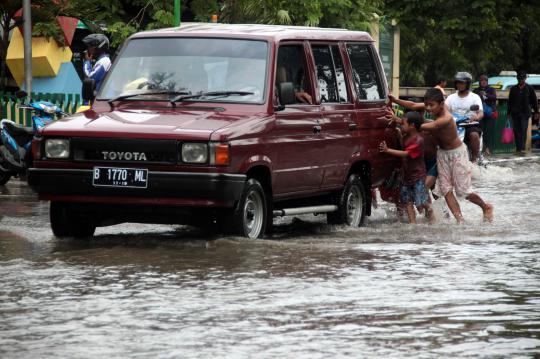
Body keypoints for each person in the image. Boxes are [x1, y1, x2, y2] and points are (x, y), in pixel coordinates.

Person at [421, 88, 493, 224]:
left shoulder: (446, 117)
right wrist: (395, 102)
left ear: (441, 104)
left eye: (431, 105)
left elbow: (431, 125)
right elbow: (413, 106)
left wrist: (407, 123)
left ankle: (486, 207)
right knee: (446, 189)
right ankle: (460, 220)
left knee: (463, 191)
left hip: (457, 154)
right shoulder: (434, 109)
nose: (428, 108)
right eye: (426, 105)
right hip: (442, 155)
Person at [380, 111, 435, 224]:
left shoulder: (418, 140)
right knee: (407, 201)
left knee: (421, 202)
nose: (401, 125)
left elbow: (406, 154)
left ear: (412, 126)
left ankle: (431, 215)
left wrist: (387, 150)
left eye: (403, 123)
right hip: (406, 176)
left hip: (417, 176)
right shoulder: (405, 136)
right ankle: (412, 223)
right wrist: (395, 120)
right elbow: (401, 141)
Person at [445, 72, 484, 163]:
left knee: (474, 135)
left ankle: (474, 159)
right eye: (458, 82)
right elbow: (445, 110)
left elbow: (481, 112)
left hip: (470, 124)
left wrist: (477, 117)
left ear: (468, 84)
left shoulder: (475, 97)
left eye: (462, 83)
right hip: (454, 124)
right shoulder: (450, 98)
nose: (459, 85)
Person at [507, 70, 539, 154]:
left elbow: (534, 100)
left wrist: (536, 112)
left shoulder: (529, 88)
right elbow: (510, 101)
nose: (520, 80)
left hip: (525, 113)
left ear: (525, 79)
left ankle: (522, 148)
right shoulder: (513, 89)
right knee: (516, 130)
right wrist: (508, 112)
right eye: (519, 79)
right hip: (515, 112)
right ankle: (518, 148)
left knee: (523, 130)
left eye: (522, 79)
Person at [473, 75, 497, 156]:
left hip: (489, 113)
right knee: (480, 131)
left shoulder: (491, 89)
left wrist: (486, 95)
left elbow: (494, 97)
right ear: (479, 82)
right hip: (479, 113)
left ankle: (489, 149)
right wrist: (480, 94)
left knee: (489, 132)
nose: (483, 82)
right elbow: (473, 99)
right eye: (482, 80)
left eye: (485, 80)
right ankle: (482, 149)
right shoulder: (476, 90)